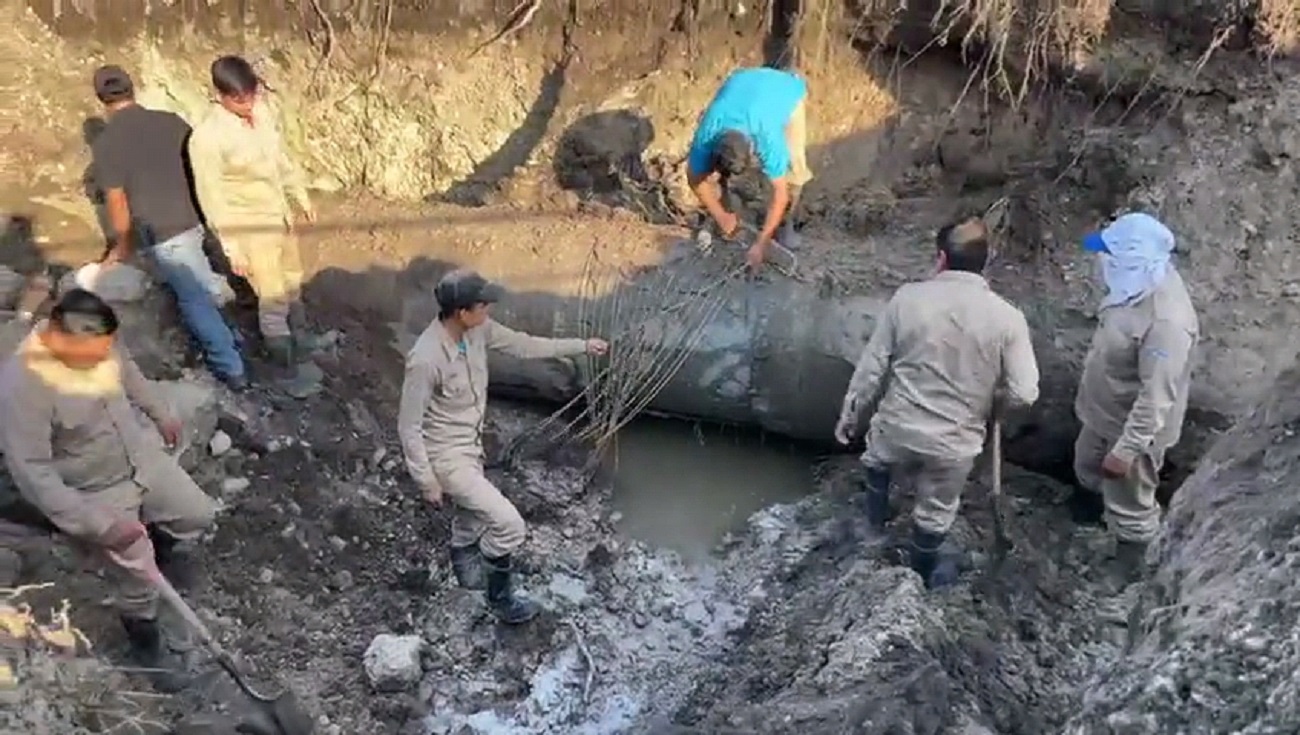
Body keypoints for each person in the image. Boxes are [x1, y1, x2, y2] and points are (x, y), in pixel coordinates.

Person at [0, 289, 218, 690]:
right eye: (95, 356)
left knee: (197, 514)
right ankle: (146, 652)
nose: (105, 359)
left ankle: (158, 552)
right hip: (96, 488)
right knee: (134, 579)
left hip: (139, 457)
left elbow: (128, 368)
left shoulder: (97, 337)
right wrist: (98, 525)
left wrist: (159, 411)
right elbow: (34, 474)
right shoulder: (21, 389)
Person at [833, 217, 1040, 589]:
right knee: (935, 513)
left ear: (941, 259)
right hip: (954, 443)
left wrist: (851, 416)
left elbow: (872, 367)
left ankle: (874, 531)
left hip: (898, 428)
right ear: (986, 261)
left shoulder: (907, 299)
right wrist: (995, 399)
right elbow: (1026, 392)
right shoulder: (1008, 319)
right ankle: (919, 576)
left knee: (877, 461)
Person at [398, 269, 609, 624]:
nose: (489, 312)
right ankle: (500, 600)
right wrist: (426, 480)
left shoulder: (476, 330)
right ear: (462, 312)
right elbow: (409, 426)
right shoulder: (426, 359)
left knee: (470, 516)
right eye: (483, 306)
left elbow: (524, 345)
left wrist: (583, 345)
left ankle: (467, 569)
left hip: (470, 444)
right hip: (446, 458)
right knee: (509, 525)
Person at [88, 65, 247, 390]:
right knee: (205, 282)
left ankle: (231, 368)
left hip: (166, 232)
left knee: (193, 299)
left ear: (101, 99)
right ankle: (235, 336)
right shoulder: (170, 121)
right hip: (199, 217)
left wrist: (121, 248)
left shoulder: (107, 144)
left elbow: (118, 204)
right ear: (133, 89)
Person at [1071, 212, 1198, 584]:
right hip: (1102, 413)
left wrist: (1126, 450)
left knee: (1131, 503)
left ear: (1131, 260)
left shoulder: (1166, 324)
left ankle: (1129, 566)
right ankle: (1088, 522)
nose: (1101, 261)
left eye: (1108, 254)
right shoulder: (1132, 287)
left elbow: (1156, 397)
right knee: (1087, 466)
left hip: (1133, 430)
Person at [188, 54, 322, 371]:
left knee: (292, 277)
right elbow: (212, 198)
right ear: (221, 96)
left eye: (252, 95)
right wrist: (232, 248)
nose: (248, 104)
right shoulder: (207, 138)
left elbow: (280, 159)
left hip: (278, 213)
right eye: (239, 100)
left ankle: (301, 337)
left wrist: (299, 195)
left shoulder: (262, 113)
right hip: (249, 224)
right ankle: (283, 359)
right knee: (272, 293)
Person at [686, 66, 812, 270]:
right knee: (725, 178)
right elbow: (693, 178)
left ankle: (786, 223)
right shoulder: (707, 135)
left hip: (785, 90)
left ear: (753, 148)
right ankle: (728, 210)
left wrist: (761, 244)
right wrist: (720, 216)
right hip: (740, 82)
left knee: (794, 166)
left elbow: (781, 195)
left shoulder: (768, 138)